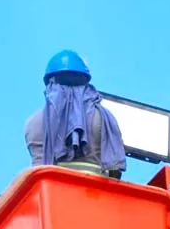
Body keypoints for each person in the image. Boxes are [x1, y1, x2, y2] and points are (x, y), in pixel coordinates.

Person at [24, 49, 126, 179]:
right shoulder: (104, 118)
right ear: (86, 83)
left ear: (50, 83)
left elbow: (38, 173)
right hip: (97, 194)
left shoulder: (33, 123)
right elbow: (115, 170)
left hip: (53, 194)